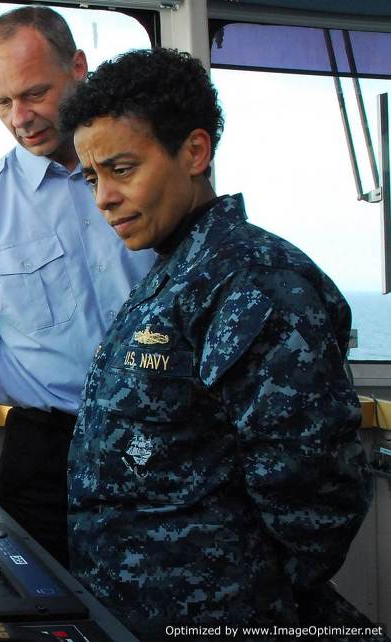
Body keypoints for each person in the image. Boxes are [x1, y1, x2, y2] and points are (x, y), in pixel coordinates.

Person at [60, 48, 373, 638]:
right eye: (93, 176)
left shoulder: (253, 280)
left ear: (195, 152)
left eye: (122, 169)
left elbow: (314, 489)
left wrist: (253, 594)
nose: (102, 196)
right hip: (137, 612)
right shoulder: (176, 273)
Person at [0, 7, 154, 567]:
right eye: (2, 102)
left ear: (79, 68)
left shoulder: (149, 178)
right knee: (31, 614)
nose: (22, 117)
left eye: (36, 93)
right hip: (45, 455)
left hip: (161, 438)